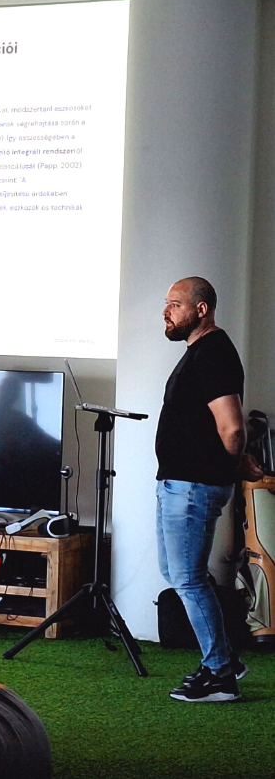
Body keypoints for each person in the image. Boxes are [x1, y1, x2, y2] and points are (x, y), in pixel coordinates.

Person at [157, 276, 263, 703]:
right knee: (177, 574)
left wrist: (233, 462)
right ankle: (225, 660)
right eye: (167, 304)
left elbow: (232, 427)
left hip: (193, 487)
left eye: (176, 304)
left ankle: (219, 674)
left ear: (201, 309)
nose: (166, 312)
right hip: (180, 484)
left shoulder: (214, 351)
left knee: (187, 578)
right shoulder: (200, 351)